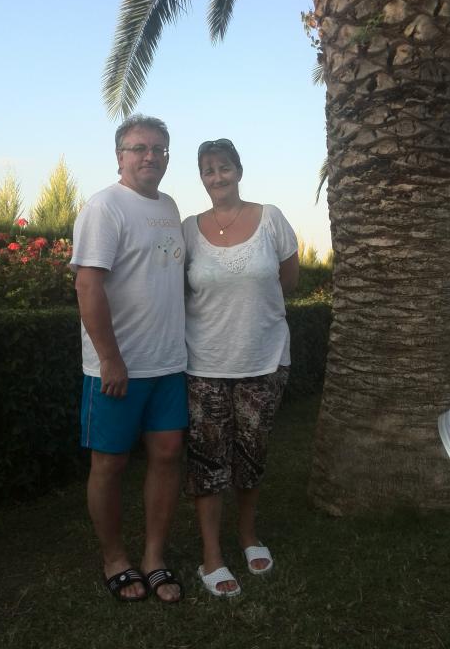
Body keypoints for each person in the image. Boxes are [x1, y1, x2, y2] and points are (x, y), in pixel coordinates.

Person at [70, 115, 187, 604]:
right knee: (110, 463)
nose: (150, 156)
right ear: (120, 156)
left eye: (159, 148)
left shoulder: (169, 206)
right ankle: (115, 558)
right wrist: (110, 359)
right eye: (139, 148)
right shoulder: (104, 207)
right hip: (118, 368)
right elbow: (87, 285)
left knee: (167, 455)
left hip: (169, 364)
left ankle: (154, 557)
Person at [182, 138, 299, 597]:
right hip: (204, 364)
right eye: (208, 170)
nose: (217, 177)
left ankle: (248, 536)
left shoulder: (271, 218)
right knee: (208, 460)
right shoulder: (188, 229)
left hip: (263, 360)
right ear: (202, 177)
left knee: (252, 454)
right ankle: (211, 556)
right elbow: (180, 290)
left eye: (224, 167)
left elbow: (288, 279)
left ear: (239, 170)